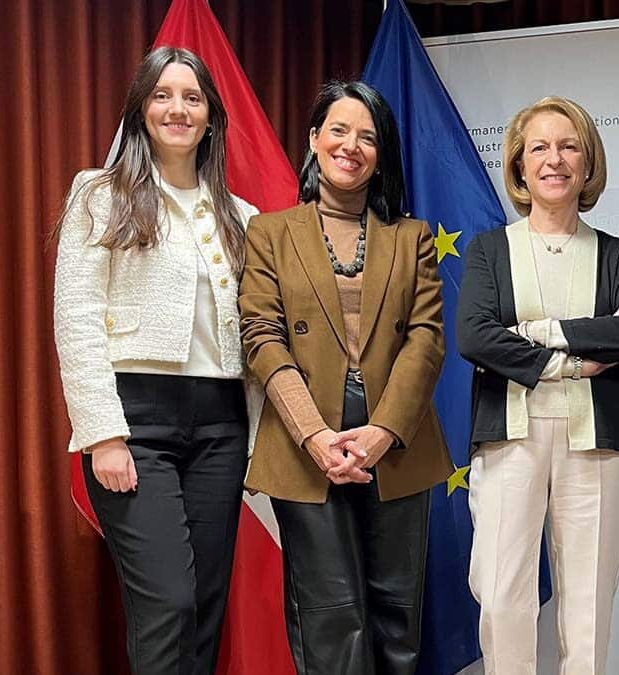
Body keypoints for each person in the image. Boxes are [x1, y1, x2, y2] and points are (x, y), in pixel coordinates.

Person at [52, 46, 260, 674]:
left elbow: (257, 336)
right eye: (163, 95)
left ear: (210, 116)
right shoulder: (101, 194)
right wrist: (104, 434)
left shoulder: (241, 217)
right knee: (166, 602)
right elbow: (77, 316)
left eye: (192, 97)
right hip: (135, 422)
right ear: (141, 110)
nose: (178, 109)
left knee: (202, 605)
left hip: (223, 427)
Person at [238, 80, 453, 675]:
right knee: (332, 617)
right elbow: (261, 336)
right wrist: (314, 435)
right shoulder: (269, 233)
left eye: (367, 136)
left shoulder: (412, 238)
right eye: (338, 130)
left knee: (395, 615)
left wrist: (382, 430)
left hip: (397, 445)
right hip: (305, 447)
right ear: (313, 138)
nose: (351, 146)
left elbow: (427, 338)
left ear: (381, 153)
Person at [457, 96, 619, 675]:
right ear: (518, 165)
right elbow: (474, 336)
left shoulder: (617, 254)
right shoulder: (490, 250)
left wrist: (536, 333)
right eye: (539, 147)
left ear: (588, 163)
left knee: (588, 610)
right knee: (500, 597)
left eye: (569, 146)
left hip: (597, 445)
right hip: (508, 437)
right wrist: (569, 360)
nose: (555, 159)